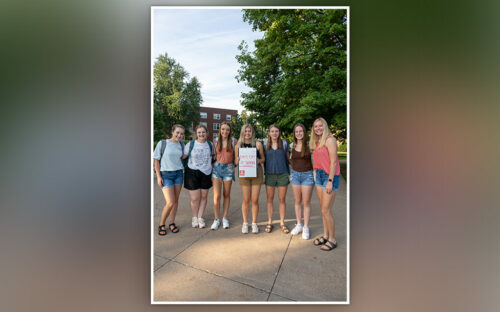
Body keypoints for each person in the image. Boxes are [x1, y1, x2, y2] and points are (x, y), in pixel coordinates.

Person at [310, 118, 341, 251]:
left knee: (326, 210)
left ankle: (333, 239)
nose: (318, 128)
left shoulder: (330, 140)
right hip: (319, 176)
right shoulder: (316, 142)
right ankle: (325, 235)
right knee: (323, 209)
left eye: (320, 126)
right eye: (315, 126)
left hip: (330, 176)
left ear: (325, 126)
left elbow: (333, 162)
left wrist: (330, 180)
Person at [153, 124, 185, 236]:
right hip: (166, 175)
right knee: (170, 202)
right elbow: (156, 160)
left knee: (175, 201)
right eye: (177, 132)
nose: (179, 135)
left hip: (179, 174)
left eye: (181, 133)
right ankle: (162, 224)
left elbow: (182, 157)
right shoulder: (163, 143)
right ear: (172, 132)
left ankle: (172, 223)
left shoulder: (181, 144)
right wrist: (159, 176)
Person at [234, 124, 265, 234]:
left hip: (257, 173)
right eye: (245, 131)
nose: (247, 133)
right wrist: (237, 160)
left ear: (252, 132)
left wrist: (258, 160)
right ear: (242, 132)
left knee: (255, 199)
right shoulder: (238, 145)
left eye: (249, 131)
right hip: (244, 174)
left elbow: (263, 159)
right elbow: (235, 163)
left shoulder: (258, 144)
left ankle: (254, 223)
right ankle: (245, 223)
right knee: (246, 199)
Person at [183, 125, 215, 229]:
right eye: (199, 132)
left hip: (206, 173)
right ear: (196, 134)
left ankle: (200, 217)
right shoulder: (191, 144)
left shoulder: (210, 144)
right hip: (192, 173)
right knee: (195, 198)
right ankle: (194, 217)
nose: (201, 134)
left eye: (203, 132)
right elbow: (183, 156)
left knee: (204, 197)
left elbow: (214, 157)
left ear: (207, 133)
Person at [289, 123, 314, 239]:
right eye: (296, 131)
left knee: (306, 202)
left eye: (300, 131)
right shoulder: (291, 146)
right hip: (295, 175)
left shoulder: (310, 145)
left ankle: (306, 227)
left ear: (304, 132)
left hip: (307, 176)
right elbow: (289, 160)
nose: (298, 133)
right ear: (294, 134)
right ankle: (299, 224)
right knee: (297, 201)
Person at [263, 124, 290, 234]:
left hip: (282, 174)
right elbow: (260, 158)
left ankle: (282, 223)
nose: (274, 133)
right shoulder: (264, 144)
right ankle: (270, 222)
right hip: (269, 175)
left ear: (279, 132)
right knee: (270, 199)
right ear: (269, 133)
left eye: (276, 131)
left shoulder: (284, 144)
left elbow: (288, 159)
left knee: (281, 199)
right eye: (272, 131)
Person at [210, 121, 237, 230]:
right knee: (217, 196)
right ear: (220, 130)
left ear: (230, 131)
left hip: (229, 169)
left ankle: (225, 217)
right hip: (217, 168)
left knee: (226, 194)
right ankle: (216, 219)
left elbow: (237, 156)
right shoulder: (215, 141)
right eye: (223, 129)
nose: (225, 131)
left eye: (227, 129)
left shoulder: (234, 141)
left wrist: (237, 161)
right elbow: (212, 155)